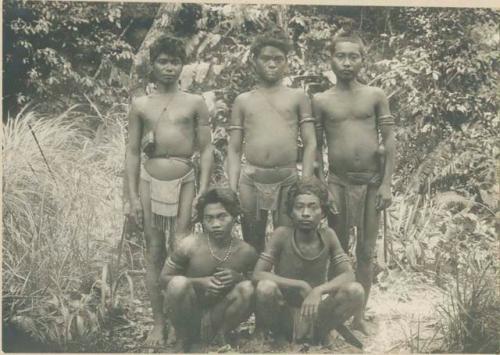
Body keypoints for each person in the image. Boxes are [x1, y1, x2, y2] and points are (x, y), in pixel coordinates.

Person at [125, 35, 214, 347]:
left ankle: (182, 321)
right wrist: (132, 196)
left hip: (185, 180)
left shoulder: (195, 102)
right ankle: (158, 323)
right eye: (162, 61)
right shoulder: (141, 105)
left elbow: (206, 150)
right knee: (154, 251)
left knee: (182, 249)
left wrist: (203, 190)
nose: (168, 67)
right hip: (150, 180)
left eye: (174, 61)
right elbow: (133, 152)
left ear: (182, 65)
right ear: (153, 64)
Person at [312, 29, 396, 334]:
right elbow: (315, 147)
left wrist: (386, 183)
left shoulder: (375, 95)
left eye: (353, 56)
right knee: (337, 250)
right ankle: (335, 313)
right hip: (337, 182)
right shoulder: (321, 100)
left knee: (365, 251)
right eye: (341, 56)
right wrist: (322, 189)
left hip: (372, 181)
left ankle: (359, 315)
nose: (347, 62)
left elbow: (389, 139)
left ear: (363, 60)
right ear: (331, 59)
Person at [227, 29, 317, 254]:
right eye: (266, 58)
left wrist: (305, 184)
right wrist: (231, 187)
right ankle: (256, 286)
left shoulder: (298, 97)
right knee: (252, 242)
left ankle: (282, 287)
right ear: (254, 61)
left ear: (287, 63)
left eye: (278, 59)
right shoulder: (243, 100)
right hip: (251, 179)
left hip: (287, 179)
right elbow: (235, 148)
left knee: (285, 241)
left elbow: (310, 143)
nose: (272, 64)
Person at [253, 178, 365, 346]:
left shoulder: (328, 236)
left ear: (323, 212)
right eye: (299, 207)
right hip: (284, 312)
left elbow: (349, 275)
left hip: (315, 312)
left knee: (356, 291)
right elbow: (258, 274)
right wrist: (299, 284)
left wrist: (318, 291)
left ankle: (320, 332)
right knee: (265, 288)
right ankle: (281, 335)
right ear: (291, 212)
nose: (305, 213)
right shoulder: (282, 235)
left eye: (313, 207)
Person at [160, 188, 258, 352]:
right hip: (191, 312)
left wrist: (238, 278)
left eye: (222, 216)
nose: (216, 224)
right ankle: (184, 339)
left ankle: (220, 335)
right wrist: (199, 283)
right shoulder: (190, 245)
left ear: (234, 217)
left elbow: (258, 284)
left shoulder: (246, 252)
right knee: (177, 283)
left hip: (220, 313)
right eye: (209, 218)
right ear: (202, 220)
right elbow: (164, 279)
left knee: (247, 288)